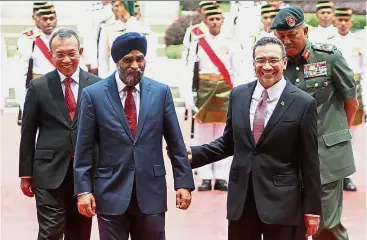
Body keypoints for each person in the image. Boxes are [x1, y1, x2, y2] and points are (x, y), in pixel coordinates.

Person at [178, 36, 321, 240]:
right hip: (242, 202)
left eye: (273, 60)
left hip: (283, 205)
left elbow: (310, 161)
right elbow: (229, 143)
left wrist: (312, 209)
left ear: (284, 62)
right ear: (253, 64)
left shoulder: (303, 103)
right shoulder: (239, 95)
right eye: (261, 60)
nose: (267, 66)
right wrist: (193, 154)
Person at [74, 32, 195, 240]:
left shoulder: (160, 92)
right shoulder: (93, 95)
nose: (135, 65)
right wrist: (84, 190)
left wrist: (183, 182)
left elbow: (176, 142)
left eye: (140, 59)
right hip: (110, 191)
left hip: (151, 192)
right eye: (128, 60)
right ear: (116, 61)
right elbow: (84, 147)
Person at [270, 6, 359, 240]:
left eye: (293, 35)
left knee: (326, 224)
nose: (287, 41)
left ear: (306, 30)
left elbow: (351, 103)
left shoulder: (329, 57)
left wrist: (334, 135)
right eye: (281, 37)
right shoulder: (276, 63)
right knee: (292, 224)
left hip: (326, 156)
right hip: (290, 158)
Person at [18, 27, 101, 240]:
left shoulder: (97, 86)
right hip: (48, 172)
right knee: (50, 232)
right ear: (51, 55)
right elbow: (28, 132)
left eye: (71, 53)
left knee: (80, 233)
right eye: (59, 54)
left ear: (80, 52)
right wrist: (25, 173)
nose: (66, 60)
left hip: (85, 174)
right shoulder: (38, 87)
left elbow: (104, 133)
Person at [181, 4, 244, 191]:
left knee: (224, 134)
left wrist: (240, 94)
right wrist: (188, 96)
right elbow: (188, 69)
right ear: (206, 21)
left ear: (223, 21)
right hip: (204, 90)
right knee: (203, 134)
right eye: (211, 19)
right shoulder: (197, 42)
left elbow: (238, 70)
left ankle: (222, 176)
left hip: (226, 91)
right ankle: (206, 176)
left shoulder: (231, 42)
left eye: (218, 19)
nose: (215, 22)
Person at [328, 7, 364, 192]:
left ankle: (347, 175)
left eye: (346, 20)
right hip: (333, 90)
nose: (343, 23)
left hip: (354, 88)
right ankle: (332, 173)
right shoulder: (327, 42)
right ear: (335, 21)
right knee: (331, 133)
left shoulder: (360, 42)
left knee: (352, 135)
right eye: (340, 20)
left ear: (351, 22)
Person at [14, 2, 57, 124]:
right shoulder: (28, 39)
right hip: (39, 91)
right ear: (36, 17)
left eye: (51, 18)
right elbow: (20, 74)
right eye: (44, 18)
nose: (48, 22)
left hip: (60, 89)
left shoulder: (62, 35)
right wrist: (24, 104)